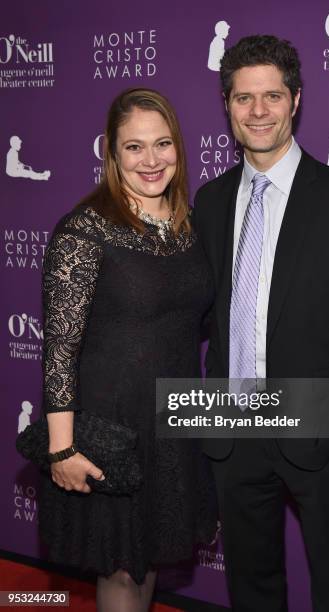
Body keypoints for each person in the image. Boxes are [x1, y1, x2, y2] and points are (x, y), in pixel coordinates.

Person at [193, 35, 329, 612]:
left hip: (318, 431)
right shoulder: (209, 201)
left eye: (271, 96)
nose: (258, 112)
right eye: (243, 98)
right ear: (227, 105)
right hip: (231, 431)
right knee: (251, 589)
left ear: (295, 100)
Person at [40, 87, 217, 612]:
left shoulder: (188, 229)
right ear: (112, 154)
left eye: (162, 144)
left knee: (148, 562)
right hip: (111, 428)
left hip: (171, 424)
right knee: (120, 569)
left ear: (179, 150)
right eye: (134, 147)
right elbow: (59, 350)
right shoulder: (83, 232)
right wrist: (62, 449)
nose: (151, 159)